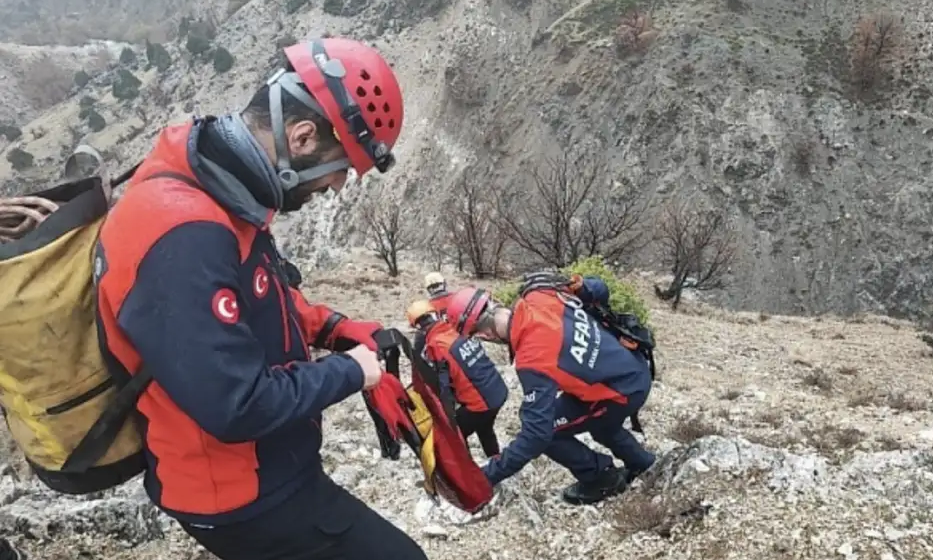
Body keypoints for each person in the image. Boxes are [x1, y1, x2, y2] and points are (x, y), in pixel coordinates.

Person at [94, 37, 428, 560]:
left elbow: (259, 300)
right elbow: (237, 403)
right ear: (301, 136)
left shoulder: (219, 183)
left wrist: (336, 329)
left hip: (258, 469)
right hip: (240, 493)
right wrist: (352, 372)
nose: (339, 185)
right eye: (343, 166)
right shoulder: (184, 235)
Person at [444, 278, 656, 505]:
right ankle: (643, 464)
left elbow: (537, 434)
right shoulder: (540, 293)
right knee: (598, 423)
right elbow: (601, 289)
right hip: (633, 364)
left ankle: (600, 478)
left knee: (552, 431)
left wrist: (487, 476)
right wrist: (582, 287)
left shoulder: (531, 359)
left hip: (620, 392)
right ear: (493, 300)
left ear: (483, 336)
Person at [405, 300, 506, 457]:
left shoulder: (435, 345)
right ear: (435, 314)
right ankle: (496, 461)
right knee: (485, 427)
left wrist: (447, 414)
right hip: (498, 390)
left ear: (417, 327)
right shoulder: (455, 329)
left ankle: (468, 473)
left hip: (481, 402)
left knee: (456, 435)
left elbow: (444, 384)